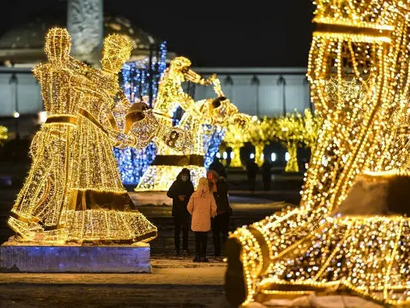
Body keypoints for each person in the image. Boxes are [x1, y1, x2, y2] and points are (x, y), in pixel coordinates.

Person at [187, 177, 217, 262]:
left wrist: (194, 213)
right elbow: (214, 208)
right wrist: (210, 214)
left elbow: (189, 207)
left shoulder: (194, 194)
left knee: (197, 238)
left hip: (196, 219)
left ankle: (197, 255)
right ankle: (203, 255)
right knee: (204, 239)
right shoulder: (210, 195)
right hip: (206, 219)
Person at [167, 168, 194, 256]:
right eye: (183, 175)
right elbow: (169, 193)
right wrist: (177, 196)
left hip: (186, 210)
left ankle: (185, 248)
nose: (185, 177)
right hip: (177, 210)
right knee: (177, 231)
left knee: (185, 230)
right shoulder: (176, 183)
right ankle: (177, 248)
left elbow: (192, 195)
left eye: (186, 176)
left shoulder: (189, 184)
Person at [207, 170, 231, 257]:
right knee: (215, 234)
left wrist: (214, 184)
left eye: (212, 178)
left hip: (223, 212)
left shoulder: (222, 184)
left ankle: (227, 250)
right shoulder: (210, 186)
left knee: (224, 233)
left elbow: (219, 192)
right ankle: (217, 251)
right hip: (214, 214)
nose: (210, 180)